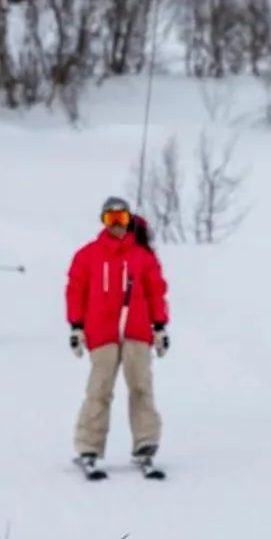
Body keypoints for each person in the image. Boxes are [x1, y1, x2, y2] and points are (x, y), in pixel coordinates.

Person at [65, 196, 169, 472]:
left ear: (129, 221)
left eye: (121, 219)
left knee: (141, 387)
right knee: (99, 389)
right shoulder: (87, 255)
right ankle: (89, 446)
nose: (117, 226)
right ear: (103, 221)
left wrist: (159, 326)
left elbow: (156, 291)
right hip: (102, 332)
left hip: (136, 331)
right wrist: (76, 326)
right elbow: (76, 291)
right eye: (111, 219)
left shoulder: (142, 256)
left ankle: (145, 443)